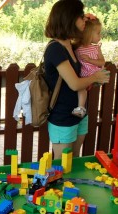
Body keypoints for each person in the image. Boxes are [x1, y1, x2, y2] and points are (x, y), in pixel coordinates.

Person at [43, 0, 110, 160]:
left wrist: (90, 22)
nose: (84, 19)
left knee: (74, 163)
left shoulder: (71, 46)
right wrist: (96, 77)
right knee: (62, 167)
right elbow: (74, 84)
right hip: (63, 117)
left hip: (79, 114)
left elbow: (90, 37)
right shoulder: (55, 49)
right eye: (81, 16)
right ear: (69, 19)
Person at [73, 13, 105, 118]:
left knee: (81, 89)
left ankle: (80, 108)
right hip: (83, 75)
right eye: (98, 33)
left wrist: (91, 60)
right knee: (81, 89)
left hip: (92, 74)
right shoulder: (77, 47)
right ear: (89, 34)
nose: (100, 36)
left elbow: (102, 62)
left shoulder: (96, 48)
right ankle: (81, 107)